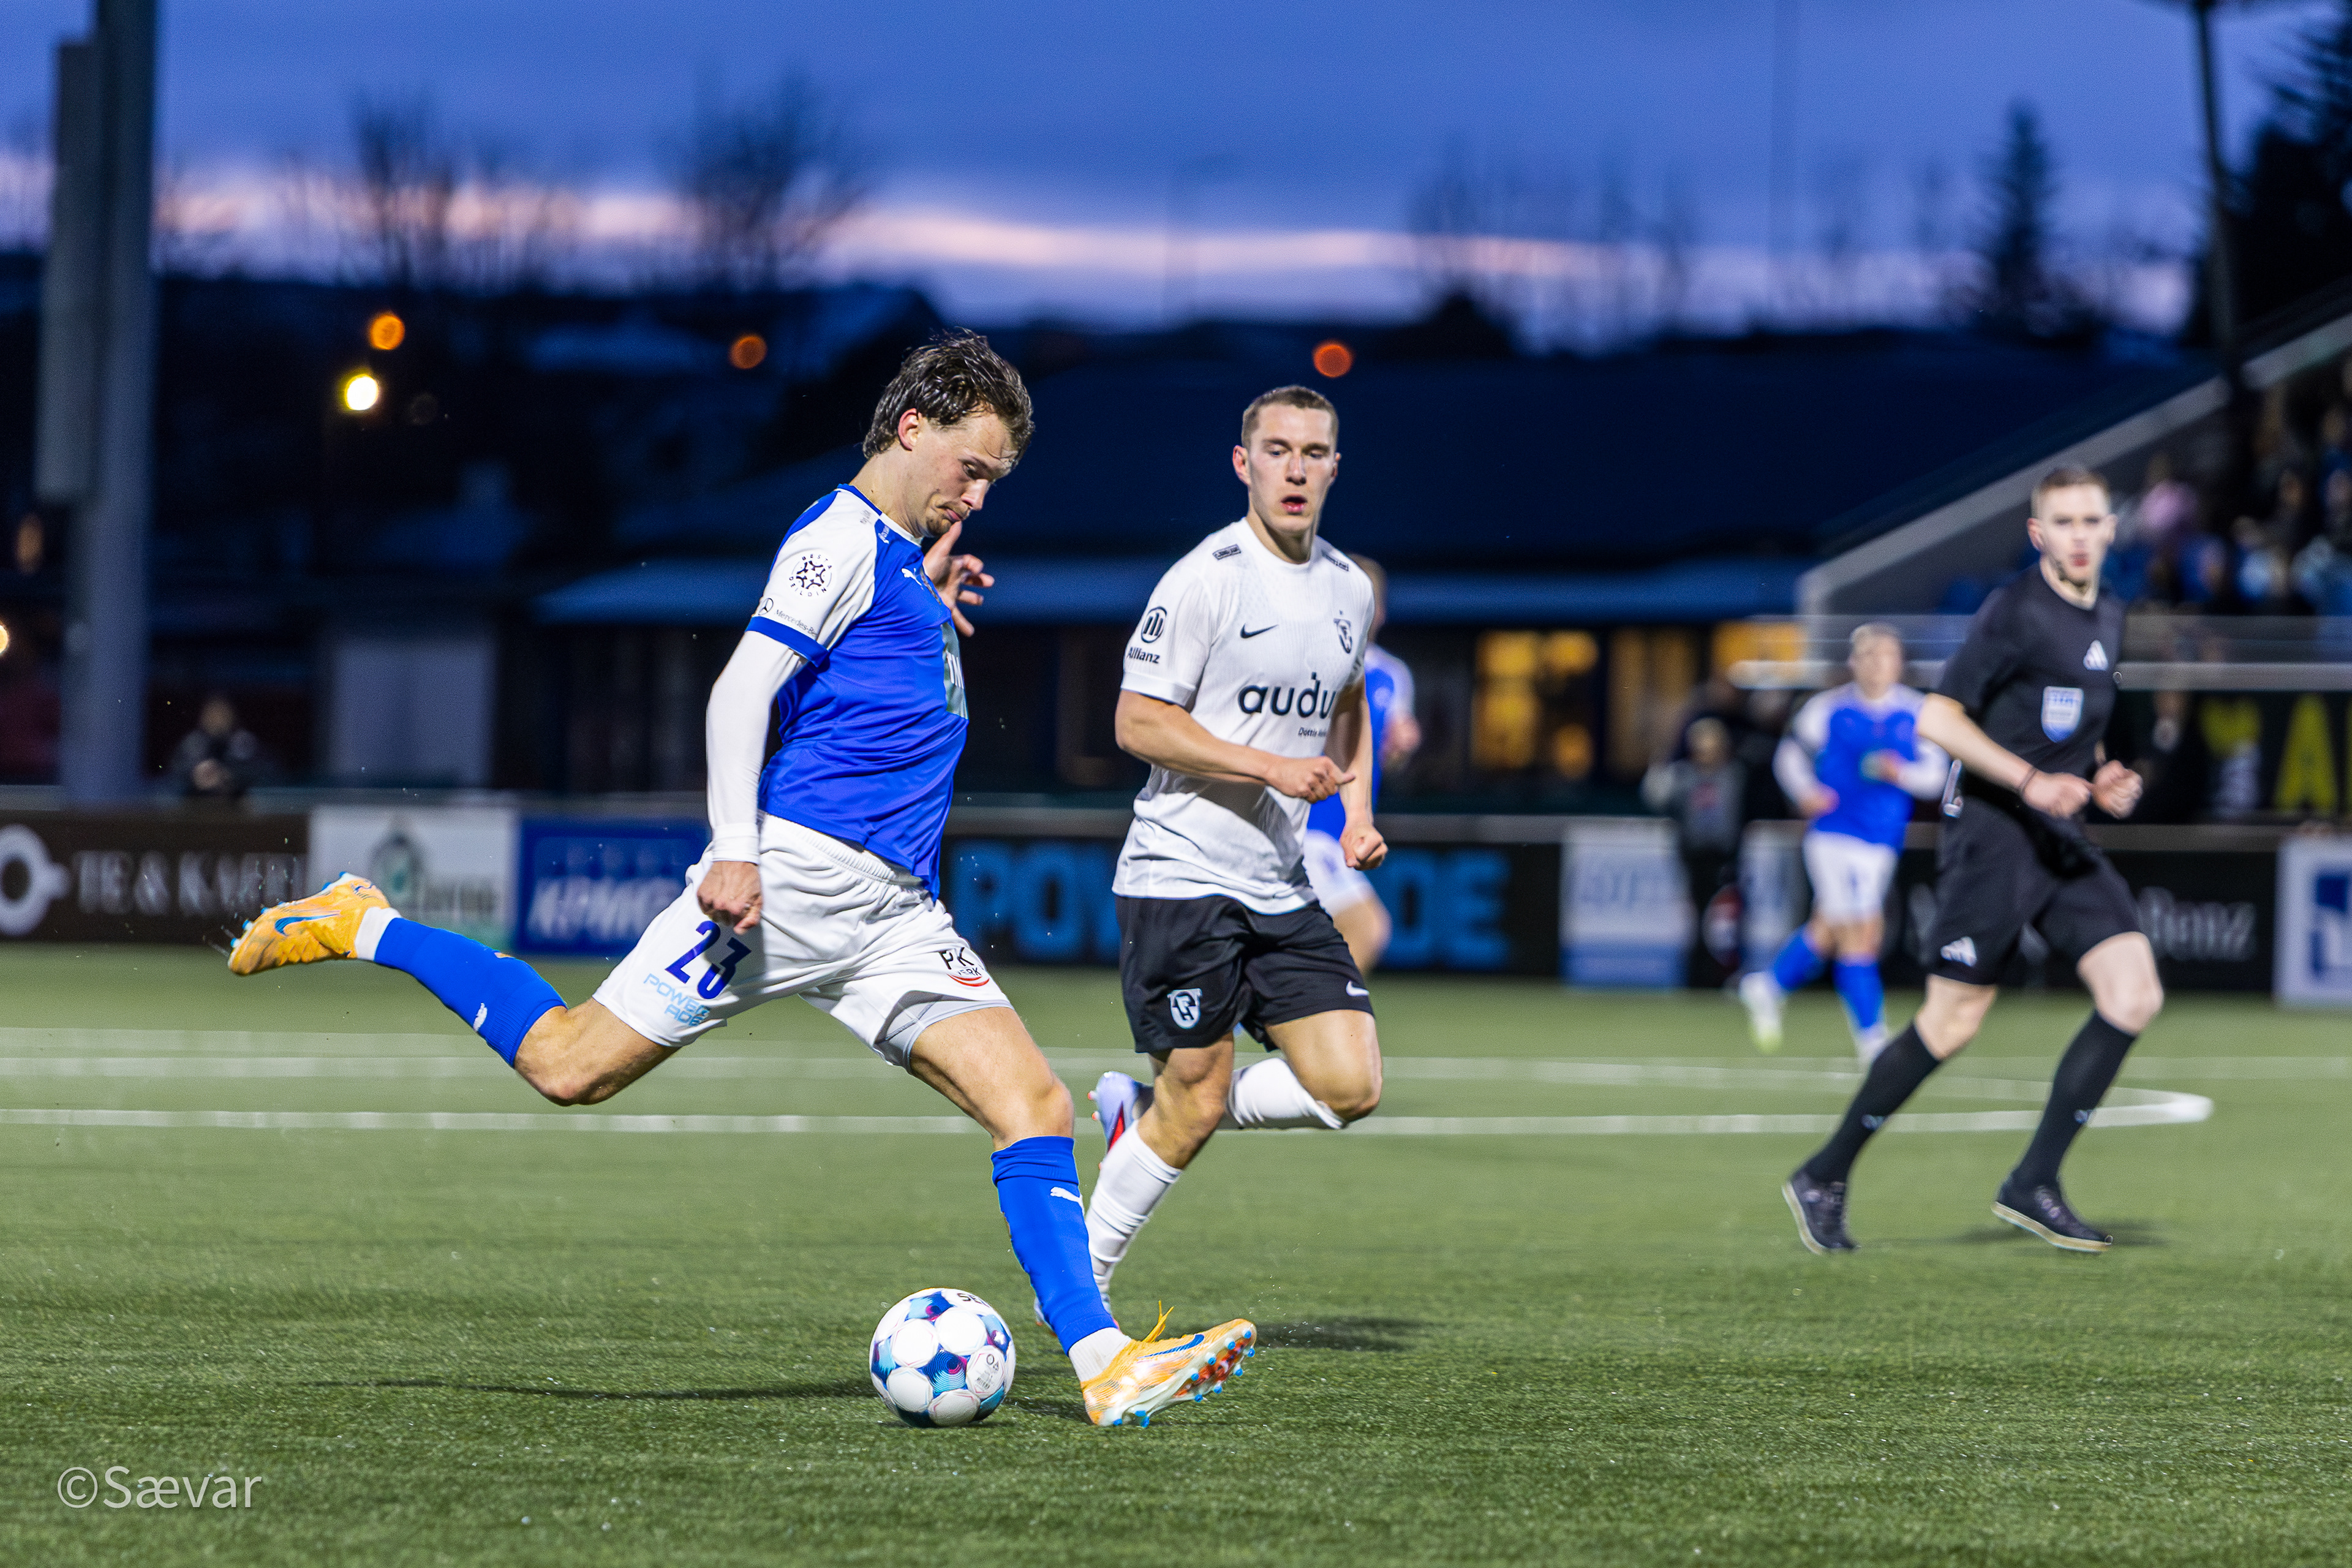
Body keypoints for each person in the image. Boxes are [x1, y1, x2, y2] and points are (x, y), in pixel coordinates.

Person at [227, 334, 1255, 1429]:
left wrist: (925, 595)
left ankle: (1104, 1366)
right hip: (796, 885)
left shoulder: (897, 558)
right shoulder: (836, 538)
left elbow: (860, 672)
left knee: (1035, 1104)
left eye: (993, 479)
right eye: (973, 467)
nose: (978, 495)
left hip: (895, 913)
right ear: (913, 428)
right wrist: (734, 846)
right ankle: (367, 923)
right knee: (569, 1066)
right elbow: (739, 690)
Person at [1783, 465, 2163, 1256]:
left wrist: (2104, 778)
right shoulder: (2015, 611)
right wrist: (2030, 781)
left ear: (2111, 529)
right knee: (1953, 1021)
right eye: (2063, 523)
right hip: (1993, 833)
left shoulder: (2111, 614)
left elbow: (2079, 734)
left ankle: (2033, 1183)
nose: (2080, 536)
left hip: (2058, 836)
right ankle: (1824, 1172)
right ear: (2038, 534)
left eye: (2091, 521)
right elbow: (1939, 719)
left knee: (2133, 993)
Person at [1080, 384, 1385, 1306]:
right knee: (1199, 1107)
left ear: (1336, 467)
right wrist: (1269, 767)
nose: (1296, 469)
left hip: (1280, 884)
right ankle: (1081, 1291)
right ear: (1243, 463)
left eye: (1314, 453)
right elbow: (1137, 721)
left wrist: (1359, 811)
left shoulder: (1350, 588)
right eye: (1277, 450)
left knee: (1351, 1087)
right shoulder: (1205, 577)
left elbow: (1350, 702)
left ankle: (1142, 1109)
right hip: (1181, 875)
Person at [1740, 625, 1947, 1062]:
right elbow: (1790, 756)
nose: (1875, 663)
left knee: (1827, 930)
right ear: (1853, 662)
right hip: (1834, 835)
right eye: (1867, 655)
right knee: (1863, 930)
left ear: (1899, 663)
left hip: (1883, 839)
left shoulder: (1917, 712)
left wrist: (1900, 773)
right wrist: (1806, 792)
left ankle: (1768, 986)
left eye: (1885, 655)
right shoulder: (1827, 709)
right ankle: (1872, 1038)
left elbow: (1935, 777)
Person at [1300, 554, 1419, 971]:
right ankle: (1321, 1009)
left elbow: (1387, 761)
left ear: (1379, 611)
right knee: (1367, 927)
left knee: (1317, 943)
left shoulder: (1393, 675)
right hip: (1304, 828)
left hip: (1342, 834)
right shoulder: (1307, 659)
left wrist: (1400, 749)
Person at [1642, 716, 1747, 986]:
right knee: (1695, 918)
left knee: (1726, 919)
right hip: (1695, 855)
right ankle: (1696, 975)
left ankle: (1725, 973)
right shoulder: (1683, 775)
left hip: (1725, 856)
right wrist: (1660, 764)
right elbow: (1656, 797)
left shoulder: (1733, 774)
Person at [170, 693, 269, 800]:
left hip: (238, 803)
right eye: (213, 714)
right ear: (203, 717)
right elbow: (175, 771)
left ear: (232, 716)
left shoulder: (246, 741)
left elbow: (264, 771)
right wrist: (194, 775)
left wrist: (230, 776)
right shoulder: (192, 742)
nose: (218, 720)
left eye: (223, 714)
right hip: (196, 802)